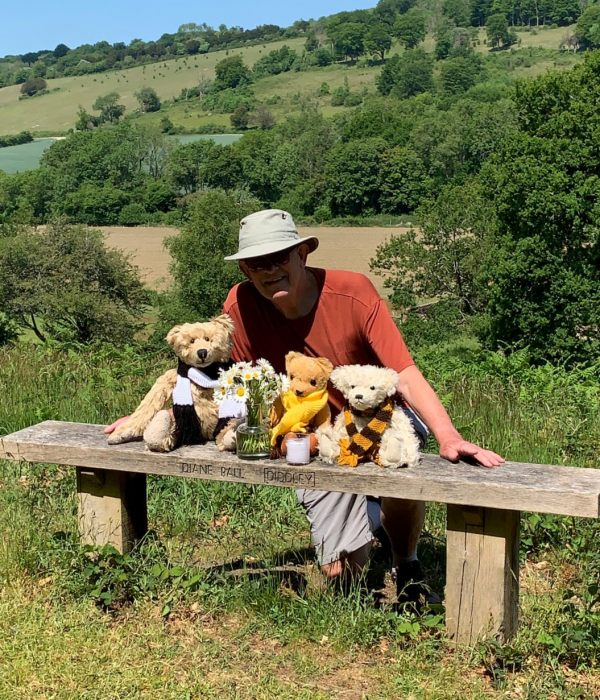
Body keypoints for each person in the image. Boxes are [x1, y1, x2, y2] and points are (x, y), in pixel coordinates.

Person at [221, 209, 504, 604]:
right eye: (256, 263)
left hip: (381, 418)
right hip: (317, 437)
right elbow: (214, 373)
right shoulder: (241, 304)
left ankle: (407, 562)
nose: (268, 271)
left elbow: (403, 372)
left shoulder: (353, 292)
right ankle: (360, 535)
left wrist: (448, 435)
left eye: (279, 258)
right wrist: (158, 412)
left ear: (303, 253)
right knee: (343, 578)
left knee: (400, 473)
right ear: (246, 270)